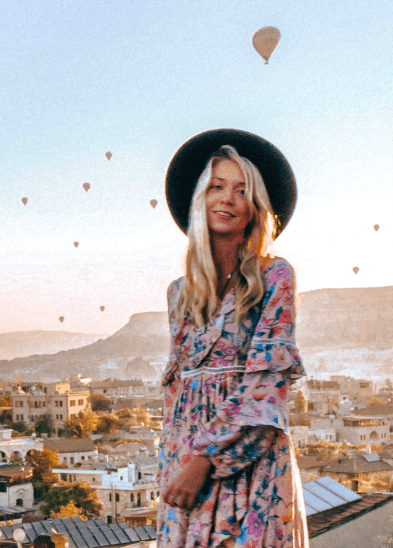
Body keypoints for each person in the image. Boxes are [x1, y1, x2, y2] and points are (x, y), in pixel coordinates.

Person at [159, 129, 309, 548]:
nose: (227, 198)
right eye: (216, 186)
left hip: (250, 461)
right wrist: (175, 465)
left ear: (255, 208)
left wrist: (204, 461)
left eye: (242, 191)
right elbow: (177, 394)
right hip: (186, 461)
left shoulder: (274, 276)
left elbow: (266, 385)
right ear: (199, 200)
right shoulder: (178, 293)